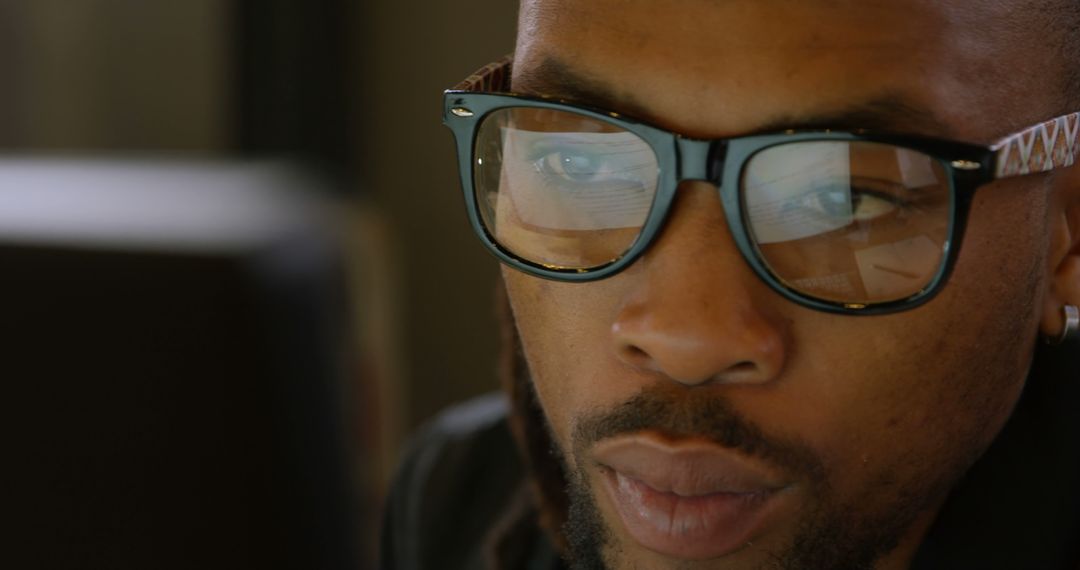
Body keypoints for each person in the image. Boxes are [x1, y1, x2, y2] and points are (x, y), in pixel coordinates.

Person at [381, 0, 1080, 568]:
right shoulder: (463, 501)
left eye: (844, 198)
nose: (685, 340)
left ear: (1068, 226)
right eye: (578, 164)